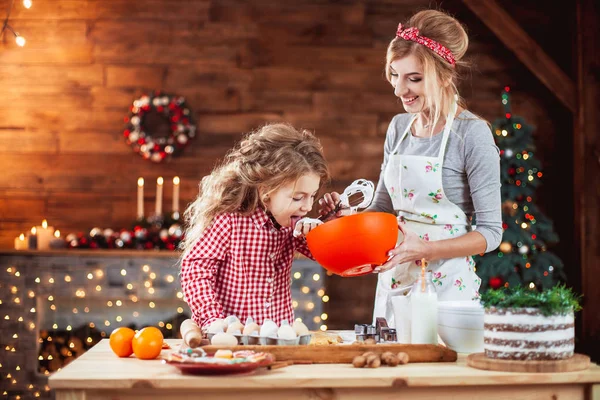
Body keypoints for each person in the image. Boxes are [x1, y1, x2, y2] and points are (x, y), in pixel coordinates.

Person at [319, 10, 502, 326]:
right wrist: (345, 220)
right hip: (395, 281)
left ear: (444, 75)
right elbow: (383, 209)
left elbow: (491, 233)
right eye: (394, 74)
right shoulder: (398, 127)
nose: (398, 89)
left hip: (448, 288)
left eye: (414, 79)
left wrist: (427, 250)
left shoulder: (472, 134)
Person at [180, 123, 330, 329]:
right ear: (265, 190)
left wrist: (336, 222)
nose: (308, 206)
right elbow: (196, 270)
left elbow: (330, 257)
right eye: (298, 197)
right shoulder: (229, 221)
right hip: (232, 340)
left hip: (276, 338)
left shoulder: (292, 225)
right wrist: (213, 320)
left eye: (312, 196)